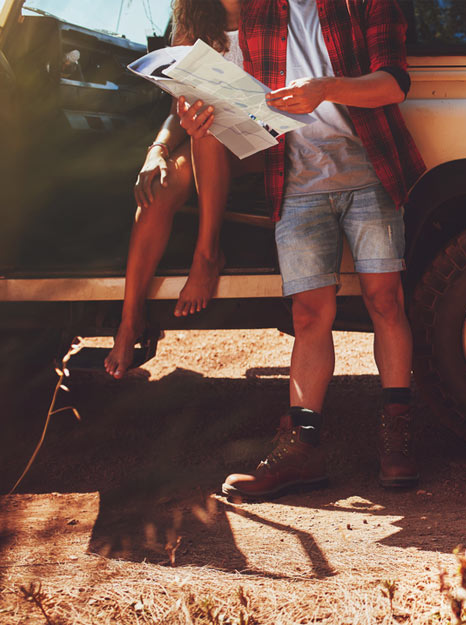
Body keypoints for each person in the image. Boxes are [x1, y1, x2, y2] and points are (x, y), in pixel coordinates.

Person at [180, 0, 426, 498]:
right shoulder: (259, 13)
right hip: (296, 181)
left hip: (370, 172)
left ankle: (397, 438)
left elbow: (394, 82)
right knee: (310, 316)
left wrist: (325, 88)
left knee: (385, 300)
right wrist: (194, 113)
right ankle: (302, 451)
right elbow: (232, 90)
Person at [105, 0, 257, 378]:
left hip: (263, 142)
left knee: (206, 131)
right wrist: (155, 151)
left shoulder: (274, 13)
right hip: (207, 138)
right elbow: (179, 110)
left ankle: (207, 256)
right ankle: (130, 320)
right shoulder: (193, 20)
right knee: (159, 186)